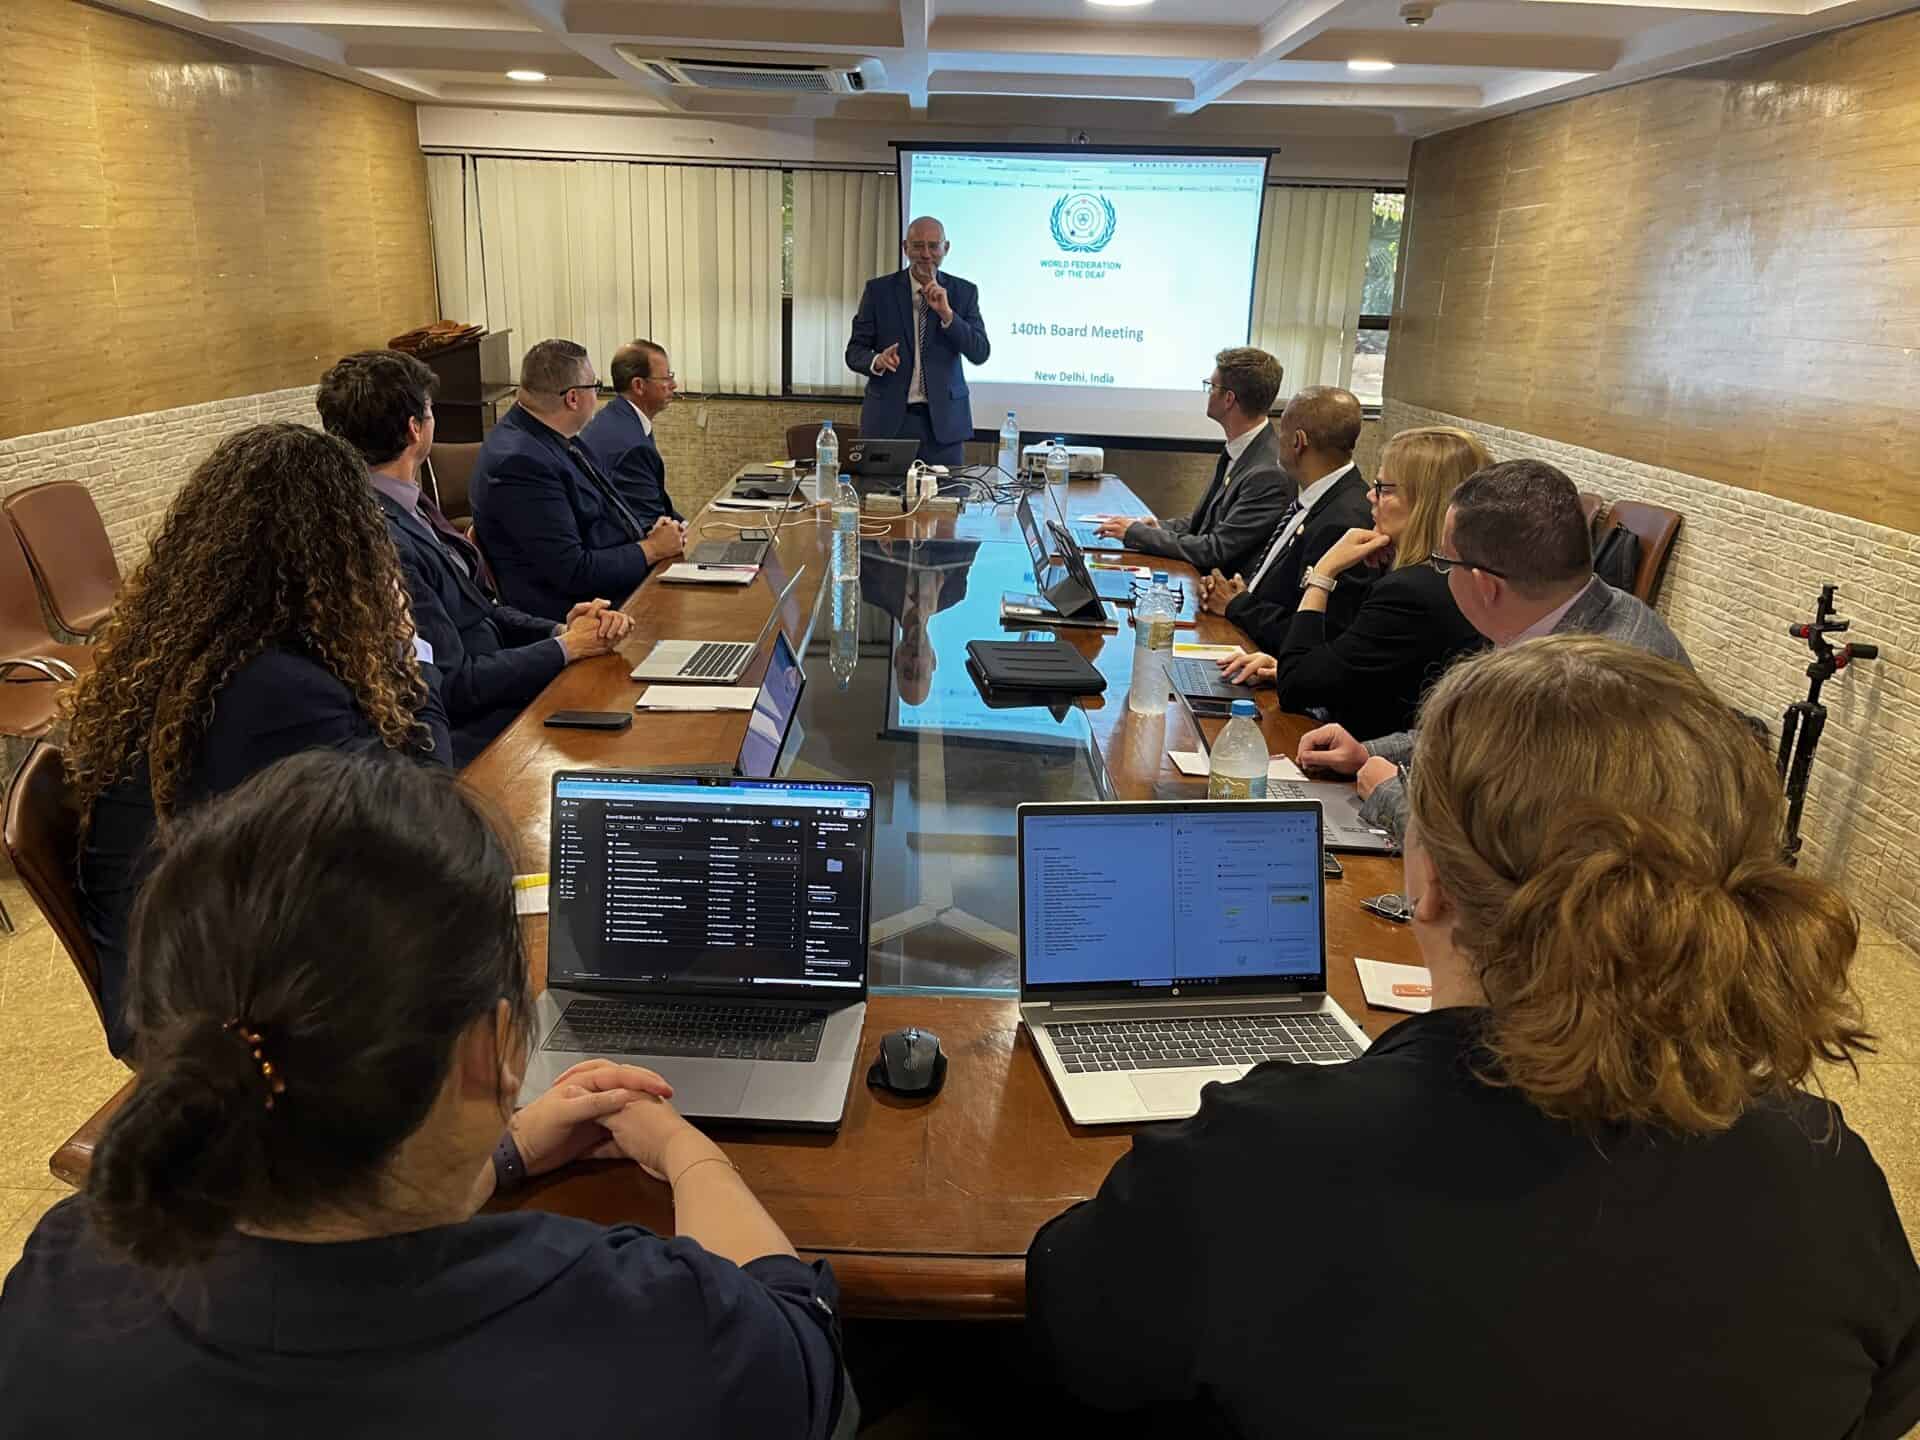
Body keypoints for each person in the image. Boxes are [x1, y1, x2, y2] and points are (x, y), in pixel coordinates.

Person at [1028, 636, 1920, 1439]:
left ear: (1428, 882)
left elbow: (1082, 1338)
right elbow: (1882, 1401)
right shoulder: (1828, 1168)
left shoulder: (1261, 1152)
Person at [0, 753, 851, 1437]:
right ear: (490, 1052)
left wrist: (500, 1156)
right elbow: (801, 1342)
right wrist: (684, 1150)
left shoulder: (63, 1266)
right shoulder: (650, 1332)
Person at [64, 423, 452, 1056]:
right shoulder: (269, 687)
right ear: (338, 551)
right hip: (202, 1017)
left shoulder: (202, 649)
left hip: (208, 947)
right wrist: (413, 655)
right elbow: (426, 814)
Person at [1297, 456, 1691, 840]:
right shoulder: (1550, 614)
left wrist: (1389, 793)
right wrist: (1369, 753)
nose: (1440, 574)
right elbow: (1473, 733)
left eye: (1443, 562)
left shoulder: (1595, 684)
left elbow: (1514, 851)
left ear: (1486, 586)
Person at [318, 350, 634, 766]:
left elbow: (482, 610)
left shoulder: (410, 504)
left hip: (503, 683)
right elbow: (453, 683)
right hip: (477, 731)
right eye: (430, 410)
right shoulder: (381, 540)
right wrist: (565, 649)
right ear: (415, 429)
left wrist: (561, 630)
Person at [1218, 426, 1489, 740]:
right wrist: (1290, 668)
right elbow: (1349, 669)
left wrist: (1323, 572)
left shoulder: (1410, 591)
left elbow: (1297, 688)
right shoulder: (1452, 579)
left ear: (1424, 502)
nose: (1370, 495)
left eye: (1383, 488)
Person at [471, 339, 684, 620]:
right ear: (573, 398)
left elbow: (608, 510)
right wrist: (651, 549)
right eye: (595, 386)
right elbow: (573, 571)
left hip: (612, 583)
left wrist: (652, 533)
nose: (598, 395)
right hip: (579, 613)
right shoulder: (519, 463)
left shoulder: (554, 433)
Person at [1196, 385, 1376, 644]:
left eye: (1282, 430)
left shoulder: (1345, 520)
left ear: (1298, 442)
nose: (1277, 439)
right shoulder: (1318, 498)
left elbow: (1317, 632)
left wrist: (1237, 605)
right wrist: (1237, 592)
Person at [1094, 348, 1295, 577]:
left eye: (1212, 387)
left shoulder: (1268, 474)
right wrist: (1157, 527)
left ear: (1229, 399)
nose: (1208, 393)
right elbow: (1203, 523)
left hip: (1220, 589)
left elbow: (1216, 549)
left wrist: (1138, 534)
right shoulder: (1242, 449)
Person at [845, 216, 991, 467]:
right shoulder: (879, 291)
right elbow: (854, 352)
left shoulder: (964, 293)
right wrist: (877, 360)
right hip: (887, 423)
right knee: (878, 493)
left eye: (933, 246)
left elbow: (980, 352)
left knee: (946, 491)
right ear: (905, 248)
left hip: (943, 427)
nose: (926, 254)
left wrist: (947, 314)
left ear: (946, 248)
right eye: (918, 246)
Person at [579, 337, 689, 531]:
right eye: (666, 378)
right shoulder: (632, 446)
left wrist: (686, 524)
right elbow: (651, 528)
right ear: (638, 385)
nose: (674, 385)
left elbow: (655, 502)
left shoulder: (616, 417)